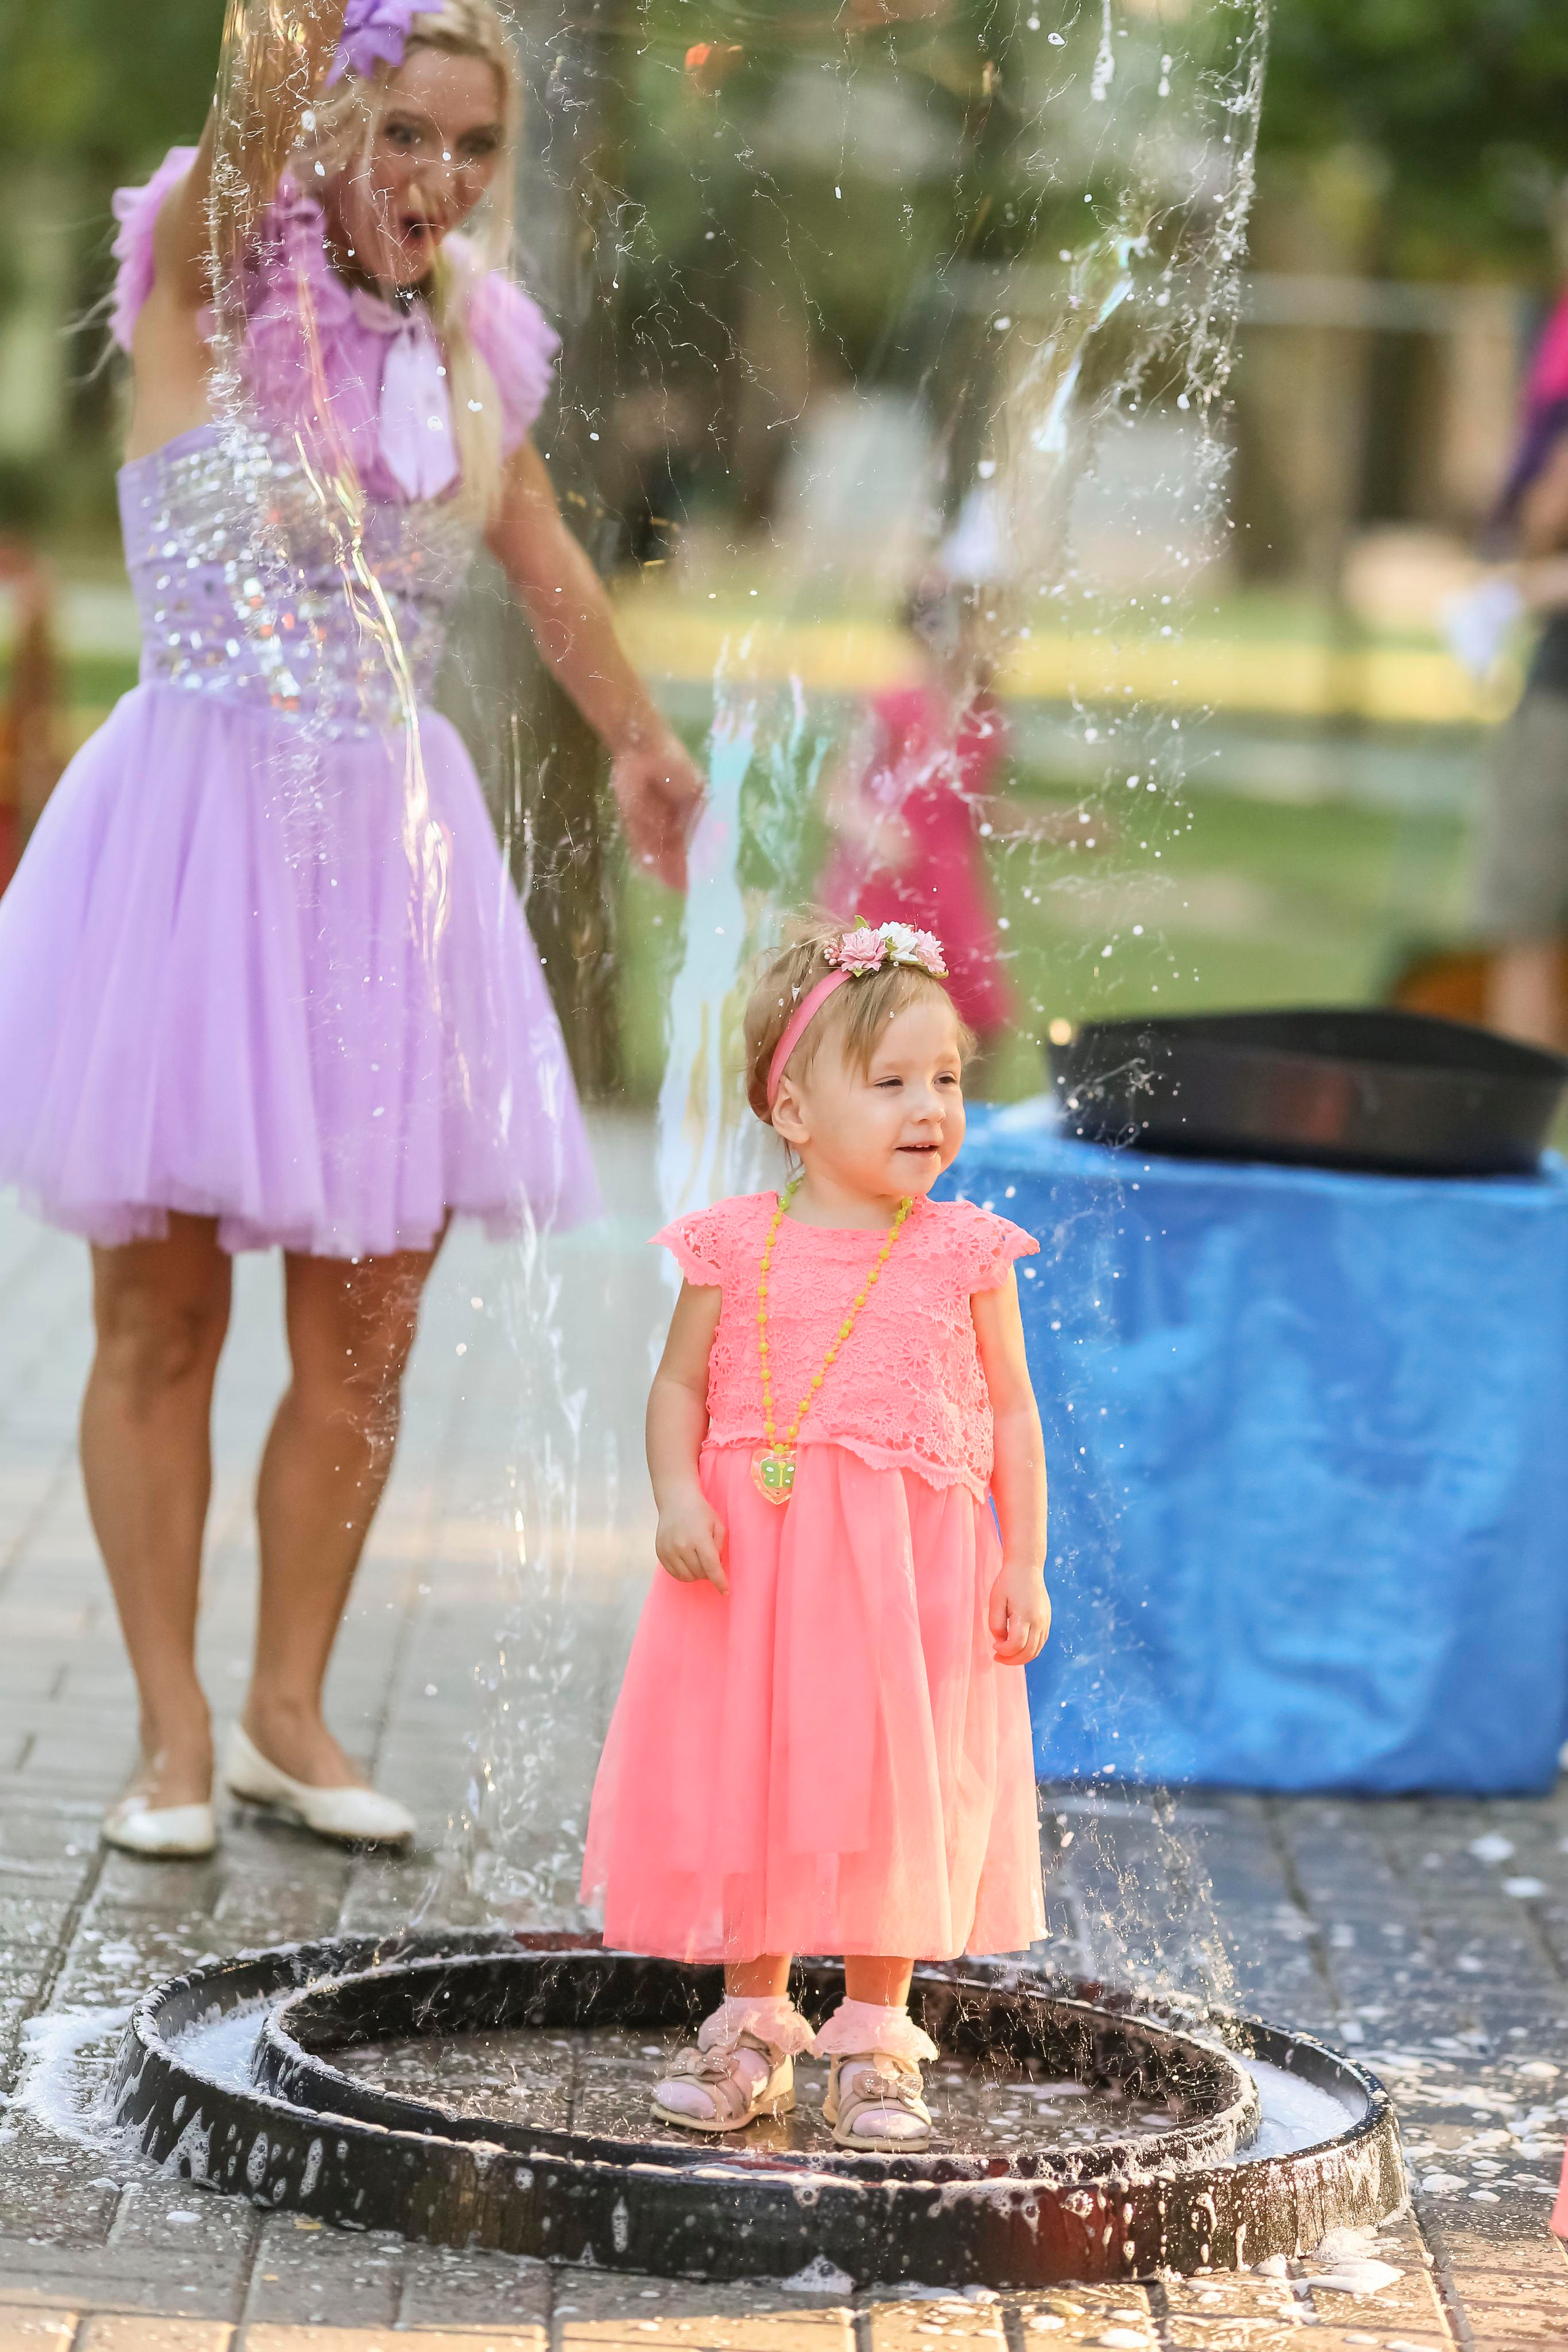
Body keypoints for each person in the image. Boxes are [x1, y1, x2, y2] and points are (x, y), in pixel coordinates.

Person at [0, 0, 702, 1860]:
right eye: (405, 135)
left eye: (473, 148)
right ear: (322, 117)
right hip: (192, 840)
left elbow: (541, 558)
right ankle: (164, 1732)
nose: (439, 180)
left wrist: (641, 744)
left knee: (373, 1332)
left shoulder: (470, 333)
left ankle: (286, 1704)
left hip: (385, 866)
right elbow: (249, 113)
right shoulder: (206, 267)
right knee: (160, 1312)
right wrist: (301, 45)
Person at [580, 916, 1049, 2149]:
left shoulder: (965, 1253)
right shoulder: (734, 1245)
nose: (929, 1107)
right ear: (792, 1110)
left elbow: (1009, 1409)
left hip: (910, 1579)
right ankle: (749, 2022)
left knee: (892, 1785)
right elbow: (678, 1384)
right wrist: (677, 1496)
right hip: (759, 1568)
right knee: (760, 1777)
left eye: (946, 1078)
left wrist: (1023, 1558)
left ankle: (876, 2039)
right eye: (888, 1081)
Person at [818, 584, 1014, 1053]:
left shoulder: (982, 714)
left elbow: (975, 807)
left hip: (952, 884)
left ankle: (960, 1121)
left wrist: (1058, 826)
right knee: (880, 1014)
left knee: (978, 1021)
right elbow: (836, 794)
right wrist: (875, 831)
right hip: (890, 884)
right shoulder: (891, 707)